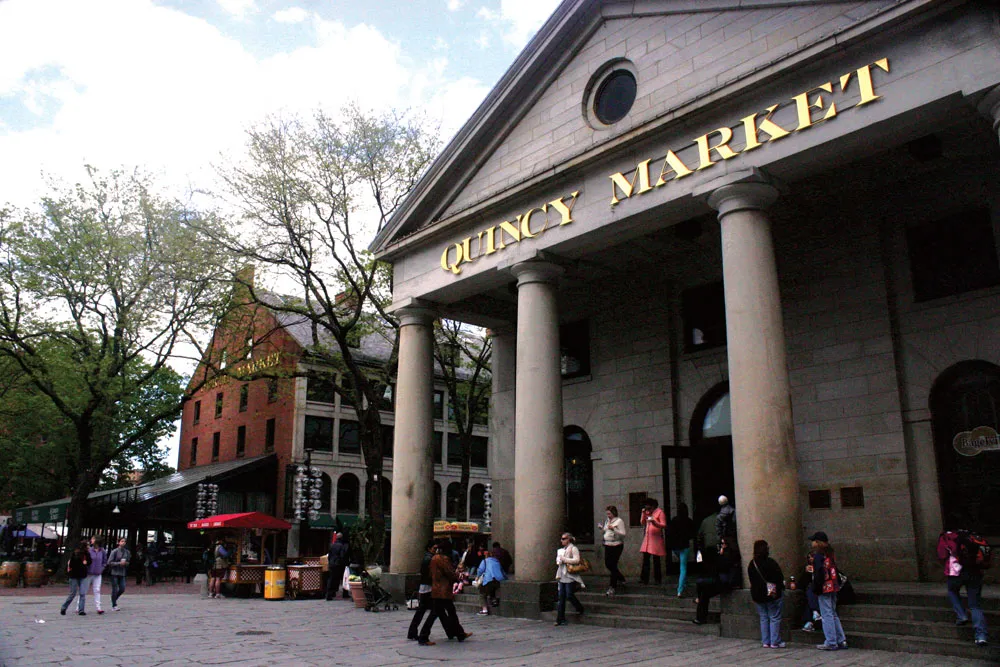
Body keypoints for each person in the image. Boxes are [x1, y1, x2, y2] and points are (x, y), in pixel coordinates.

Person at [937, 527, 989, 646]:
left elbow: (941, 554)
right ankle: (981, 636)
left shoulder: (947, 537)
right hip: (975, 572)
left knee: (952, 590)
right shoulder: (972, 535)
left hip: (955, 573)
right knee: (975, 605)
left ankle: (961, 615)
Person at [422, 539, 472, 646]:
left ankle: (459, 633)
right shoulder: (443, 559)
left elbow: (431, 574)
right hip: (443, 591)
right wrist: (459, 576)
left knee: (448, 612)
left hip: (437, 589)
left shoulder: (434, 558)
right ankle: (423, 636)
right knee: (438, 613)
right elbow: (450, 573)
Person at [809, 531, 847, 650]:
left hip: (824, 587)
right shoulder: (829, 553)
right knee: (833, 613)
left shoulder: (818, 556)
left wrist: (816, 588)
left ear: (817, 542)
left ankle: (831, 641)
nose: (811, 543)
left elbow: (819, 573)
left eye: (813, 541)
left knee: (826, 615)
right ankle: (841, 640)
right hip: (833, 586)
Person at [693, 536, 741, 624]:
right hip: (718, 581)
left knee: (703, 590)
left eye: (723, 544)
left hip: (724, 582)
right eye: (720, 544)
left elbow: (725, 566)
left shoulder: (728, 554)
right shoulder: (719, 556)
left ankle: (700, 616)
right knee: (703, 593)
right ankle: (700, 617)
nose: (721, 546)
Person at [748, 540, 785, 648]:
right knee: (774, 617)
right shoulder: (770, 562)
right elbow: (779, 577)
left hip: (757, 594)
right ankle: (775, 641)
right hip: (771, 593)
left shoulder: (752, 563)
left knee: (763, 617)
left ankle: (766, 641)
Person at [409, 540, 439, 641]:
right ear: (429, 548)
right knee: (428, 610)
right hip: (428, 587)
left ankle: (412, 631)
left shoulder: (428, 558)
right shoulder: (429, 559)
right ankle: (417, 632)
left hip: (425, 586)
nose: (436, 550)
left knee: (422, 610)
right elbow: (428, 574)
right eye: (434, 548)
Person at [554, 532, 586, 626]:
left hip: (571, 575)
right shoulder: (561, 550)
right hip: (562, 574)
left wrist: (565, 559)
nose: (562, 540)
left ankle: (579, 608)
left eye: (564, 539)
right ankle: (560, 619)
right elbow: (558, 561)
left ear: (569, 539)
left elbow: (577, 560)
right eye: (561, 539)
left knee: (569, 594)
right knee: (561, 597)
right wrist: (559, 560)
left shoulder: (573, 548)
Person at [667, 503, 695, 597]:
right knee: (683, 568)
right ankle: (680, 589)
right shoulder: (689, 521)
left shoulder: (674, 520)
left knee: (682, 566)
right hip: (684, 546)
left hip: (675, 547)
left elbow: (669, 533)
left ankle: (683, 583)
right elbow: (692, 534)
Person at [639, 497, 667, 585]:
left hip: (656, 539)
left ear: (653, 506)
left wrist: (654, 522)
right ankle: (644, 578)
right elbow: (642, 523)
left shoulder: (660, 512)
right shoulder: (647, 513)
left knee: (656, 560)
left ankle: (657, 579)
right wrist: (643, 514)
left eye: (649, 508)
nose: (648, 510)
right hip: (648, 538)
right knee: (646, 560)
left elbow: (663, 525)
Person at [601, 505, 627, 596]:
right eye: (607, 514)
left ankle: (612, 586)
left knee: (613, 564)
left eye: (609, 513)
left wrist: (614, 529)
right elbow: (606, 529)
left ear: (614, 513)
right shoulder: (607, 520)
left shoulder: (619, 521)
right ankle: (620, 577)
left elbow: (623, 534)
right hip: (608, 544)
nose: (608, 515)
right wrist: (602, 528)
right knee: (608, 564)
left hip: (616, 545)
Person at [60, 540, 92, 615]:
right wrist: (82, 563)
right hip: (74, 575)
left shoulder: (87, 554)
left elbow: (90, 562)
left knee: (82, 593)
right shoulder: (75, 554)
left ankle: (81, 610)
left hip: (82, 575)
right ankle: (64, 607)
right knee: (73, 593)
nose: (89, 547)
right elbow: (71, 564)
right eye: (87, 545)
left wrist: (86, 562)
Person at [476, 548, 506, 615]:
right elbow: (502, 571)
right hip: (498, 580)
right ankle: (494, 601)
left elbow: (480, 570)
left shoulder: (485, 561)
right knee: (492, 591)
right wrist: (505, 578)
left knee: (482, 594)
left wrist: (477, 577)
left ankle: (484, 610)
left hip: (489, 579)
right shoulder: (497, 561)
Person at [86, 536, 108, 615]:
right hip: (89, 573)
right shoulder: (89, 550)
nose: (91, 540)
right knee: (84, 590)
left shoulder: (102, 551)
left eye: (92, 539)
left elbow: (105, 561)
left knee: (97, 590)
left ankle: (98, 607)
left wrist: (102, 568)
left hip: (98, 573)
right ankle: (79, 607)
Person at [108, 537, 130, 611]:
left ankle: (114, 599)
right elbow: (109, 562)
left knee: (122, 588)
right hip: (115, 572)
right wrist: (118, 563)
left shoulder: (127, 552)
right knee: (115, 588)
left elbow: (128, 561)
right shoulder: (114, 551)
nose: (123, 543)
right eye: (122, 541)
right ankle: (114, 604)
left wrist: (125, 563)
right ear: (118, 542)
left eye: (124, 541)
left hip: (122, 572)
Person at [326, 532, 349, 601]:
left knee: (331, 579)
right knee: (344, 578)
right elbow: (342, 556)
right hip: (339, 564)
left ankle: (330, 594)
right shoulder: (342, 546)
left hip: (332, 564)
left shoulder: (332, 545)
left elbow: (329, 556)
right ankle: (345, 593)